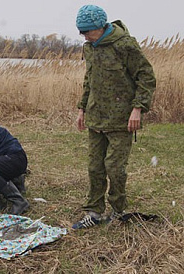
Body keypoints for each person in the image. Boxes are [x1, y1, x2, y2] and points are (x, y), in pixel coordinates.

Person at [73, 5, 156, 229]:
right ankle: (94, 212)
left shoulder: (125, 45)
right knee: (94, 167)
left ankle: (118, 211)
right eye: (81, 32)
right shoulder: (89, 48)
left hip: (122, 120)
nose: (85, 36)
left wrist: (138, 108)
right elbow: (89, 79)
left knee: (115, 168)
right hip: (96, 118)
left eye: (88, 31)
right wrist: (82, 108)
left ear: (101, 27)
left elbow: (146, 77)